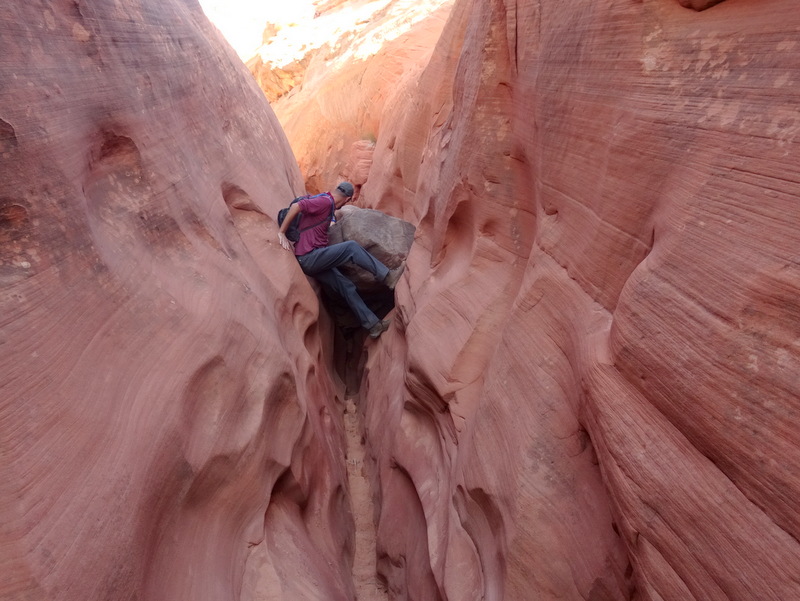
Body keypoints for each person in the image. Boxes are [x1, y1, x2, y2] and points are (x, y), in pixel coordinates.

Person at [277, 182, 405, 338]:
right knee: (351, 248)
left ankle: (373, 325)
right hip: (309, 257)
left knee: (346, 286)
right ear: (347, 199)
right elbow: (297, 206)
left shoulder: (329, 205)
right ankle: (387, 276)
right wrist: (281, 233)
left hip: (314, 259)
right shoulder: (325, 201)